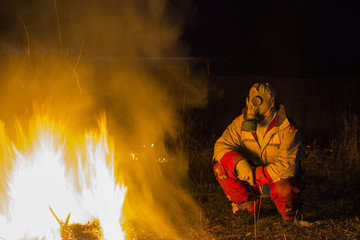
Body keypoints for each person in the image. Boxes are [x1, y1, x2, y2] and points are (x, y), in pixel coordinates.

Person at [213, 82, 305, 221]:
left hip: (278, 180)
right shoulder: (240, 123)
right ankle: (249, 207)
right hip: (252, 177)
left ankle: (290, 213)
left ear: (272, 103)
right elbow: (221, 145)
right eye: (252, 101)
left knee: (285, 190)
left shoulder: (286, 126)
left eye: (258, 102)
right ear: (247, 100)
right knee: (220, 168)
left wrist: (255, 174)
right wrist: (238, 164)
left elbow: (288, 165)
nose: (253, 107)